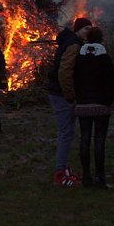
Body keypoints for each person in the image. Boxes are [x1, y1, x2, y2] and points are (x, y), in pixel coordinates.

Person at [46, 17, 92, 187]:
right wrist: (70, 95)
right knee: (66, 133)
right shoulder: (73, 45)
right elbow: (65, 72)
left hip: (58, 92)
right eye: (86, 29)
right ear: (78, 29)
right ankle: (60, 173)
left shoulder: (70, 41)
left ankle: (64, 169)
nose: (88, 32)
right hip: (61, 94)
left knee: (67, 132)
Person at [73, 26, 114, 188]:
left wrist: (78, 97)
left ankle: (86, 176)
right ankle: (100, 177)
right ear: (101, 39)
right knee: (99, 140)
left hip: (83, 104)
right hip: (101, 105)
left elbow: (74, 78)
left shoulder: (80, 57)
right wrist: (108, 101)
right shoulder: (105, 58)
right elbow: (112, 81)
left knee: (84, 139)